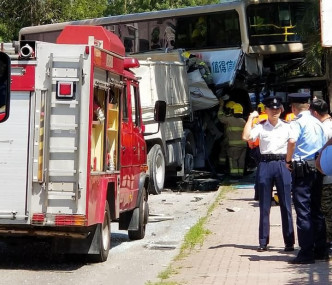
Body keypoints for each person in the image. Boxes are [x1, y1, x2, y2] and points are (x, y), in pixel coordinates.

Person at [242, 96, 294, 252]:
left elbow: (293, 142)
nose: (275, 112)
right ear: (266, 111)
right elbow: (246, 137)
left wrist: (289, 161)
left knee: (286, 204)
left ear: (282, 110)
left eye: (278, 109)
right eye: (272, 109)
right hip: (265, 164)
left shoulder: (287, 126)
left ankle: (289, 242)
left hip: (282, 163)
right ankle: (263, 241)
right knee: (264, 205)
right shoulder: (261, 126)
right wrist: (250, 118)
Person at [285, 93, 327, 264]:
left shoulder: (297, 122)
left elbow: (292, 141)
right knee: (317, 210)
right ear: (309, 106)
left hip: (302, 170)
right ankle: (321, 250)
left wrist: (288, 160)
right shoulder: (318, 122)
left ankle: (306, 253)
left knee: (303, 212)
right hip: (318, 167)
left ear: (293, 108)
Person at [310, 98, 332, 256]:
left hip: (326, 176)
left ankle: (327, 243)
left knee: (326, 211)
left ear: (315, 113)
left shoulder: (323, 128)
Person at [218, 100, 247, 177]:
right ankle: (240, 174)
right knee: (241, 160)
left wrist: (221, 106)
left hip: (233, 146)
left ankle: (234, 175)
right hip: (243, 146)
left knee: (233, 160)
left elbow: (220, 117)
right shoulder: (244, 121)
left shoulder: (229, 119)